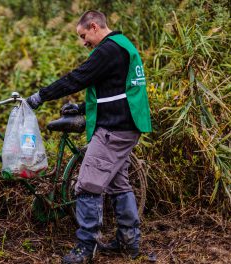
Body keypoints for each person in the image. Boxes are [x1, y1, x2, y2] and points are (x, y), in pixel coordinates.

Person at [26, 10, 152, 263]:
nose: (83, 42)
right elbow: (115, 89)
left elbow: (78, 78)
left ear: (94, 26)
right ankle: (129, 241)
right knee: (118, 183)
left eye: (84, 35)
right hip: (127, 125)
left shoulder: (107, 50)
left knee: (86, 185)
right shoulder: (122, 45)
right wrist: (82, 108)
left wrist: (42, 95)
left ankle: (86, 247)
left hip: (114, 129)